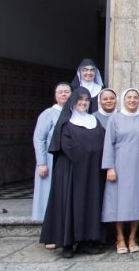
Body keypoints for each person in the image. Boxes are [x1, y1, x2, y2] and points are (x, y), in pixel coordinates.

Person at [40, 87, 106, 257]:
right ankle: (67, 244)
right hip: (71, 170)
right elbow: (67, 146)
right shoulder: (66, 123)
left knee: (88, 205)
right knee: (69, 204)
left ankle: (85, 241)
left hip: (91, 171)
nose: (83, 103)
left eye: (86, 100)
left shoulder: (94, 121)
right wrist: (88, 155)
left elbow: (102, 143)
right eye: (80, 100)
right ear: (73, 101)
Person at [101, 88, 139, 254]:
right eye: (129, 97)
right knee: (118, 202)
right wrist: (109, 167)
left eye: (135, 97)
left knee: (137, 201)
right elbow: (108, 144)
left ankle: (133, 237)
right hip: (119, 164)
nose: (132, 100)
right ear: (124, 100)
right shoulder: (115, 118)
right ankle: (120, 237)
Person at [32, 81, 71, 224]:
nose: (64, 94)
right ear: (55, 96)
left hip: (67, 160)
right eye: (60, 92)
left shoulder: (74, 113)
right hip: (50, 160)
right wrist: (41, 162)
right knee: (48, 194)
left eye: (66, 91)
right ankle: (48, 228)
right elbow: (39, 138)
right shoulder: (48, 114)